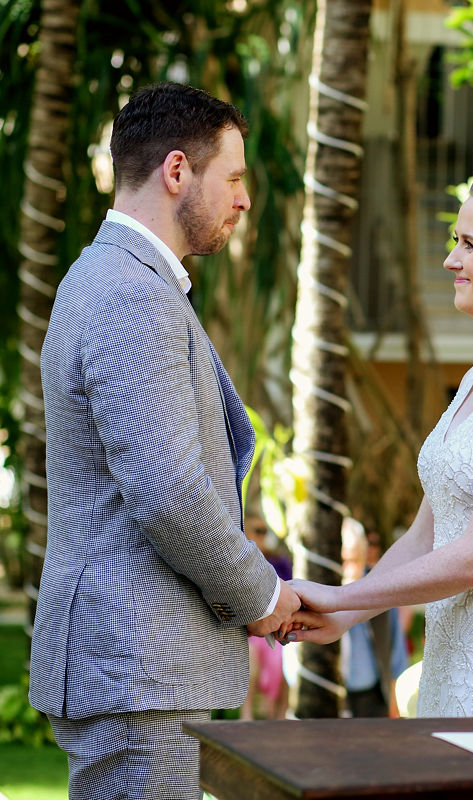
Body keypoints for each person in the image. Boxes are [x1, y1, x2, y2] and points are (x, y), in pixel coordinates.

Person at [28, 82, 301, 799]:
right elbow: (172, 494)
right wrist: (260, 593)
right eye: (234, 178)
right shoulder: (130, 294)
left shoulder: (111, 279)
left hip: (136, 667)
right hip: (137, 667)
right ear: (177, 172)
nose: (244, 201)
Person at [287, 177, 473, 717]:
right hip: (453, 666)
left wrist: (341, 595)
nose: (451, 260)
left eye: (469, 245)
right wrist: (345, 617)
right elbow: (426, 535)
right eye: (456, 241)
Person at [339, 518, 407, 717]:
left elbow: (396, 652)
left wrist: (394, 706)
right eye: (345, 561)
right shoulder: (318, 590)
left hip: (374, 697)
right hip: (334, 696)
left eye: (355, 560)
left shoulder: (379, 589)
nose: (351, 570)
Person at [242, 515, 292, 720]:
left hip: (276, 626)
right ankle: (245, 716)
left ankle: (279, 717)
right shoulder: (239, 564)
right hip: (248, 630)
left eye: (265, 531)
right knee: (252, 658)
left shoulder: (278, 562)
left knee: (284, 659)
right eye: (257, 530)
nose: (262, 536)